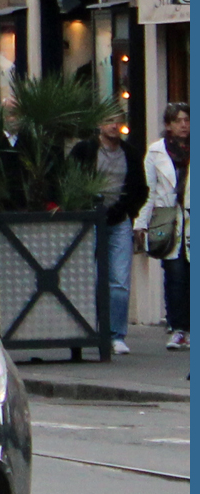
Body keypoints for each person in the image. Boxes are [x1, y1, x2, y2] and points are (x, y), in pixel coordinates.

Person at [69, 114, 148, 355]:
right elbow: (69, 179)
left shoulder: (131, 153)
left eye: (119, 120)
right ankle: (90, 329)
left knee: (119, 281)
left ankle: (116, 334)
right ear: (99, 124)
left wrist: (128, 210)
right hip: (89, 220)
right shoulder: (84, 150)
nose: (114, 126)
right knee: (88, 278)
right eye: (109, 120)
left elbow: (140, 188)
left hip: (119, 221)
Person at [135, 102, 190, 350]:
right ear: (168, 125)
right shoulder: (156, 151)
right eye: (178, 121)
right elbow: (149, 191)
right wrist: (141, 223)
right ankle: (178, 328)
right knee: (175, 274)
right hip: (168, 219)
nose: (184, 125)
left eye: (187, 120)